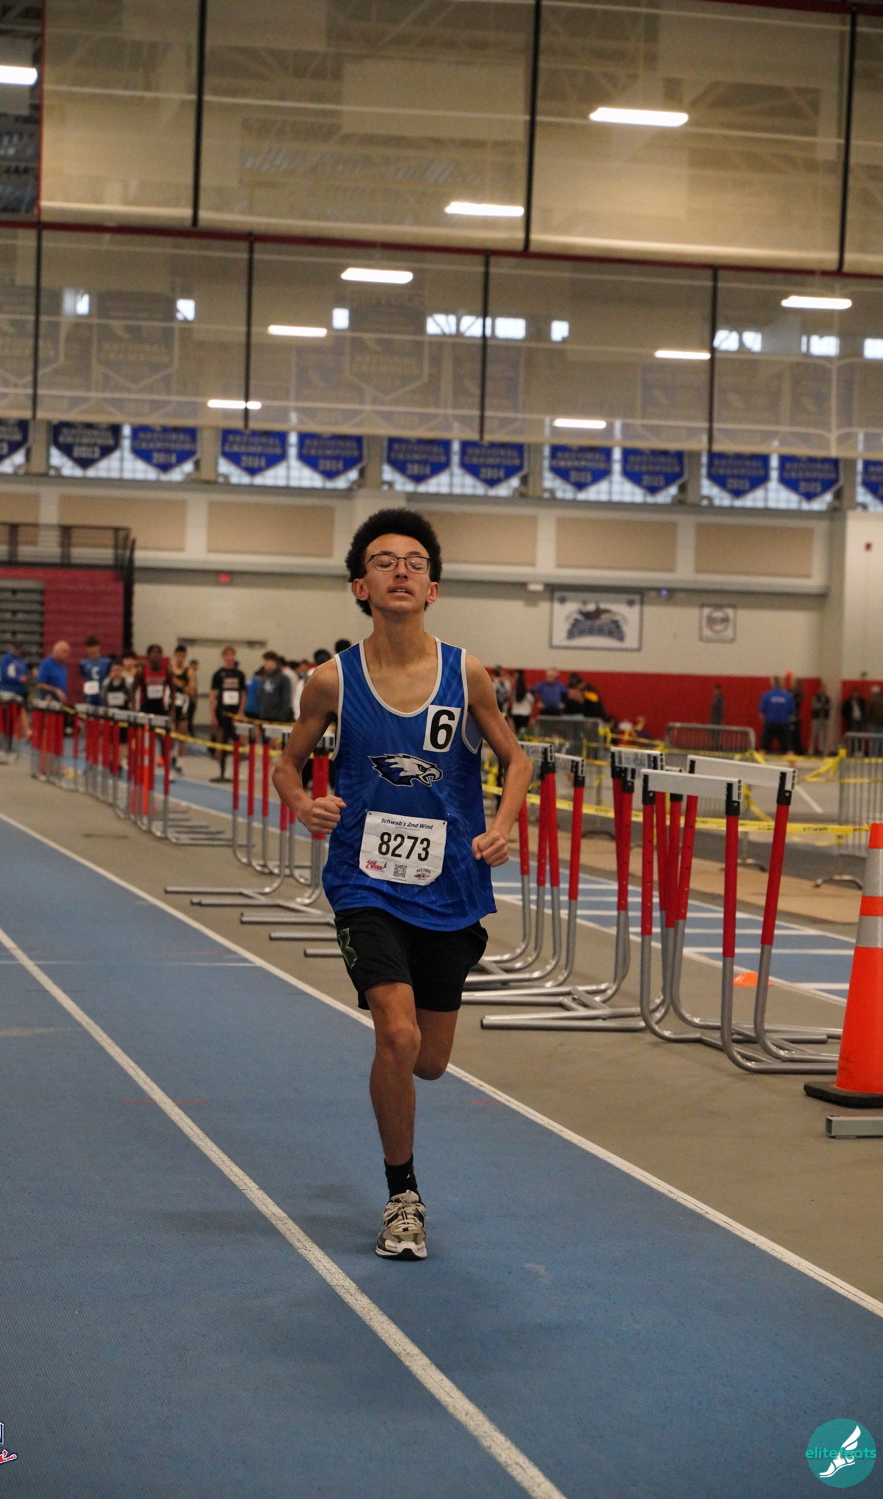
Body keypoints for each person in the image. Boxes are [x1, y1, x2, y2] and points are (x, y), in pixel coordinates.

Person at [273, 507, 531, 1262]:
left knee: (428, 1059)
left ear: (433, 589)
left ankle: (401, 1094)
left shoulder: (467, 673)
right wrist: (304, 805)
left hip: (450, 886)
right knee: (397, 1032)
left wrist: (502, 825)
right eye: (383, 562)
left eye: (415, 563)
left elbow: (516, 760)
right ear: (361, 586)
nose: (400, 571)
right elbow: (287, 764)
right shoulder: (331, 680)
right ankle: (403, 1195)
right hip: (365, 881)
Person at [209, 646, 246, 781]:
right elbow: (212, 695)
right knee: (221, 741)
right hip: (222, 711)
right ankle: (221, 770)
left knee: (239, 742)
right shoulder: (218, 674)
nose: (230, 658)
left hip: (235, 712)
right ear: (223, 657)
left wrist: (240, 712)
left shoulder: (239, 674)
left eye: (232, 655)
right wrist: (213, 715)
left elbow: (243, 695)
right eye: (227, 655)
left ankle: (235, 770)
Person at [133, 643, 172, 717]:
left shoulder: (167, 671)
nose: (156, 655)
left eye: (158, 653)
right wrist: (133, 708)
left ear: (161, 655)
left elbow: (173, 691)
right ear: (148, 655)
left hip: (160, 706)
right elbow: (133, 690)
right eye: (153, 652)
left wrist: (172, 710)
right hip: (145, 706)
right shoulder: (142, 671)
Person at [759, 675, 795, 754]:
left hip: (770, 723)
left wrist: (765, 723)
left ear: (772, 684)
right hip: (783, 724)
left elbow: (762, 713)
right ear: (782, 684)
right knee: (788, 749)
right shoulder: (788, 696)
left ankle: (759, 761)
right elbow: (791, 713)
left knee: (763, 748)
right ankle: (792, 761)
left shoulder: (766, 696)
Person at [258, 650, 294, 725]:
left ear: (274, 662)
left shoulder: (283, 678)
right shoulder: (265, 678)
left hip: (277, 717)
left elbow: (286, 699)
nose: (265, 664)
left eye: (267, 661)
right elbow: (260, 695)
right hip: (264, 715)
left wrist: (282, 716)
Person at [36, 640, 71, 707]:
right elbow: (40, 685)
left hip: (59, 703)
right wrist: (56, 690)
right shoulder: (46, 664)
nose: (67, 655)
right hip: (48, 703)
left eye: (68, 652)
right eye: (65, 652)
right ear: (57, 651)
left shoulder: (63, 666)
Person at [79, 634, 111, 705]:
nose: (92, 649)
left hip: (102, 692)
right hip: (89, 694)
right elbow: (82, 677)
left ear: (98, 647)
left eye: (94, 646)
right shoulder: (83, 663)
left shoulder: (106, 662)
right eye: (89, 647)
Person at [509, 670, 533, 738]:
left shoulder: (515, 692)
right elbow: (532, 701)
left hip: (515, 713)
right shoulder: (527, 693)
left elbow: (511, 700)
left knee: (516, 733)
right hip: (525, 714)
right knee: (523, 733)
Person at [809, 684, 832, 756]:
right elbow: (815, 706)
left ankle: (825, 751)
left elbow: (830, 706)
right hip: (816, 718)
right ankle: (811, 750)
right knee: (814, 734)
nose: (823, 690)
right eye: (822, 688)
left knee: (826, 735)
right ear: (819, 689)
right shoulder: (815, 697)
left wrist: (822, 706)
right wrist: (823, 706)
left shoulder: (828, 698)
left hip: (825, 718)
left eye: (824, 689)